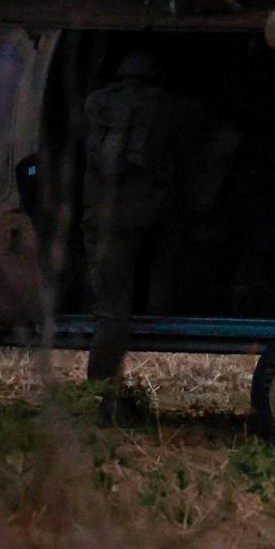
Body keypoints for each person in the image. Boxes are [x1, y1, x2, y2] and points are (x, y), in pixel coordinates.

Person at [78, 50, 181, 405]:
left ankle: (101, 398)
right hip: (146, 214)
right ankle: (158, 307)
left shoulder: (98, 104)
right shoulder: (164, 107)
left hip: (105, 220)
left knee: (110, 311)